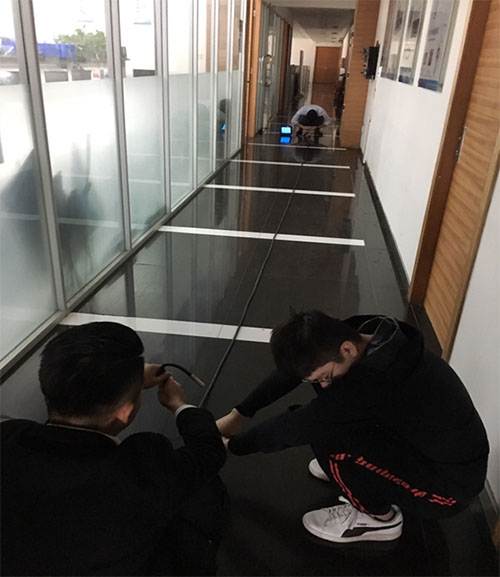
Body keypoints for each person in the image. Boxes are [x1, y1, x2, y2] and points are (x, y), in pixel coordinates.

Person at [217, 311, 489, 544]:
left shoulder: (374, 383)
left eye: (325, 377)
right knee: (329, 416)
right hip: (429, 452)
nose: (324, 385)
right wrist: (241, 412)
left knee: (330, 440)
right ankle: (363, 476)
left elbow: (295, 427)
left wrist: (232, 447)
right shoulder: (370, 333)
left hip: (446, 492)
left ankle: (378, 518)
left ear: (347, 349)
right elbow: (298, 370)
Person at [1, 322, 227, 576]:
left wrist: (128, 380)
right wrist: (178, 404)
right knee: (207, 489)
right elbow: (209, 451)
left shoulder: (9, 437)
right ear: (125, 412)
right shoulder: (143, 470)